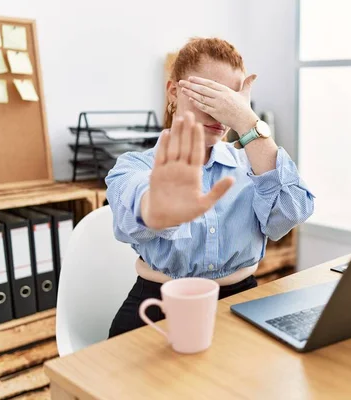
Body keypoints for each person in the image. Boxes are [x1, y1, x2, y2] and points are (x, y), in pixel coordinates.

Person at [106, 38, 315, 337]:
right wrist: (160, 209)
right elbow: (132, 212)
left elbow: (292, 212)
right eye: (207, 95)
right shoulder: (134, 167)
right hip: (157, 308)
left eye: (230, 102)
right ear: (174, 92)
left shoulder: (251, 163)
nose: (220, 115)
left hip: (241, 302)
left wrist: (247, 122)